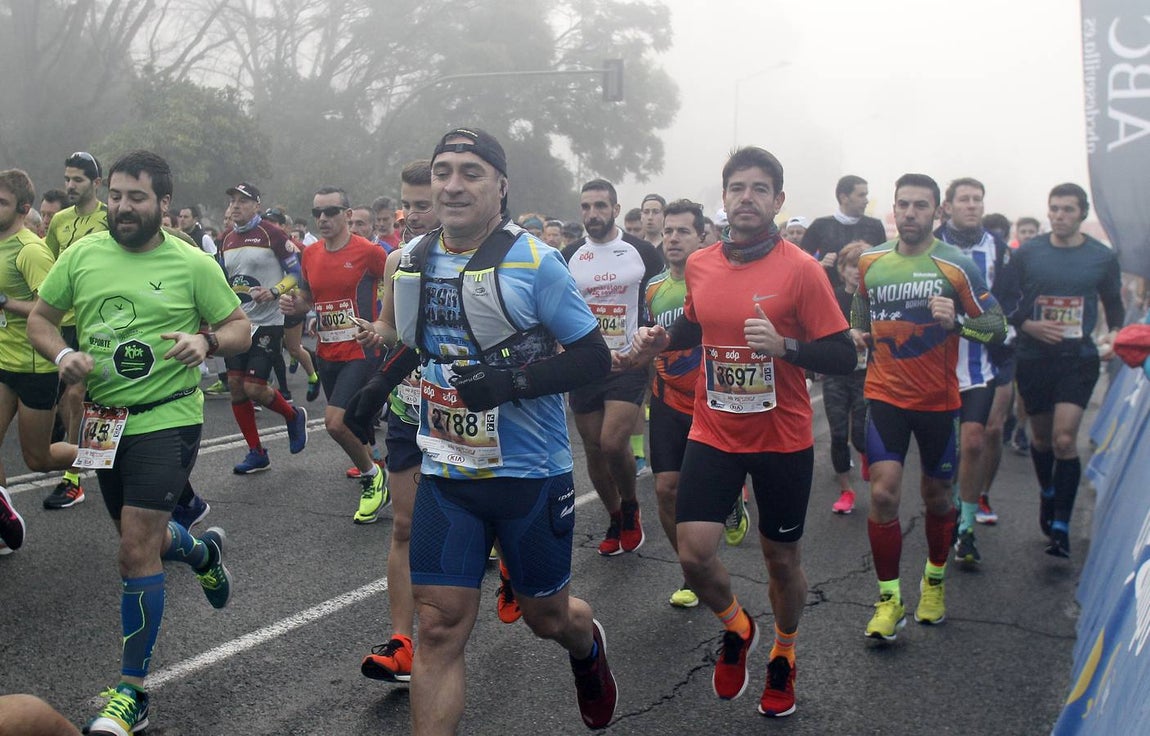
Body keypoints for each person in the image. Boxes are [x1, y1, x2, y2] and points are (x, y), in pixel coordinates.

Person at [344, 126, 617, 732]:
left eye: (471, 172)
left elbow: (593, 359)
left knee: (548, 618)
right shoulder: (413, 259)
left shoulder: (536, 263)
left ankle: (586, 645)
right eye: (443, 171)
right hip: (448, 470)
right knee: (438, 626)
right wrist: (374, 390)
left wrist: (509, 384)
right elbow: (421, 345)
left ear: (500, 185)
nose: (453, 184)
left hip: (530, 475)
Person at [627, 147, 856, 717]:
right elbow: (697, 320)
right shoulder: (702, 263)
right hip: (715, 430)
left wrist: (787, 348)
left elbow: (844, 354)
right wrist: (662, 339)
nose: (746, 197)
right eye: (737, 188)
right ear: (723, 199)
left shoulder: (801, 270)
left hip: (782, 438)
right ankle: (737, 626)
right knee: (695, 552)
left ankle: (784, 651)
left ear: (778, 201)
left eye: (759, 189)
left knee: (781, 560)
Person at [27, 150, 249, 735]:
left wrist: (207, 342)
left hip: (168, 415)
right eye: (118, 196)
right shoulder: (80, 255)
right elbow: (41, 320)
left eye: (137, 198)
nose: (124, 207)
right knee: (139, 539)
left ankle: (131, 692)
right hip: (105, 420)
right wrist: (62, 354)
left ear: (164, 205)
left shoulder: (190, 262)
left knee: (133, 551)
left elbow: (239, 327)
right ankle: (202, 553)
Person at [853, 174, 1006, 641]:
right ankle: (889, 599)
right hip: (884, 396)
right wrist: (857, 332)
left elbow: (996, 328)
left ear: (936, 212)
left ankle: (934, 581)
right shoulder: (870, 261)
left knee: (937, 498)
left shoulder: (956, 264)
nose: (911, 213)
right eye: (904, 204)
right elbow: (861, 306)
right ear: (894, 210)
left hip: (939, 402)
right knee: (882, 495)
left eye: (921, 205)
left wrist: (958, 322)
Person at [1005, 183, 1123, 557]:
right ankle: (1048, 491)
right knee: (1041, 439)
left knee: (1063, 439)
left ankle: (1061, 525)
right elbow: (1006, 301)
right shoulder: (1029, 253)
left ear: (1082, 214)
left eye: (1068, 210)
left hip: (1078, 359)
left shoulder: (1101, 257)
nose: (1059, 216)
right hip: (1034, 357)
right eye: (1054, 209)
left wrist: (1115, 338)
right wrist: (1028, 326)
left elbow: (1114, 306)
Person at [358, 159, 441, 684]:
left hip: (472, 417)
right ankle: (403, 643)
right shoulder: (398, 261)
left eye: (421, 204)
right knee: (407, 527)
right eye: (405, 204)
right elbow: (394, 331)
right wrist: (376, 333)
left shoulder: (497, 258)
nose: (410, 214)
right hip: (411, 410)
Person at [562, 179, 664, 556]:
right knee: (592, 449)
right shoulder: (570, 255)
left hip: (628, 362)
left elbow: (659, 300)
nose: (593, 214)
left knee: (612, 442)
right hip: (587, 363)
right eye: (586, 207)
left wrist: (648, 348)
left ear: (616, 209)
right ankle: (615, 514)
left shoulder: (641, 253)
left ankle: (632, 505)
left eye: (600, 206)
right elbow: (561, 309)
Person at [278, 186, 389, 523]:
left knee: (335, 422)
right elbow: (308, 297)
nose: (323, 219)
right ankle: (374, 462)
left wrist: (385, 326)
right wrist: (294, 304)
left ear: (348, 214)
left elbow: (397, 287)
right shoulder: (309, 254)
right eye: (317, 213)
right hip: (327, 351)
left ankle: (373, 479)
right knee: (352, 421)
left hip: (361, 349)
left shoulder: (369, 252)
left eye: (331, 211)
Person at [935, 178, 1018, 561]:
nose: (972, 206)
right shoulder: (929, 245)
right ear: (948, 206)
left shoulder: (998, 250)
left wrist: (1006, 328)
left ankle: (965, 527)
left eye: (977, 200)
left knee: (974, 440)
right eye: (964, 199)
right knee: (943, 451)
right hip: (933, 364)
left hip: (979, 362)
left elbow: (1013, 298)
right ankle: (947, 505)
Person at [640, 199, 706, 607]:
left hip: (711, 401)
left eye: (683, 231)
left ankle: (731, 498)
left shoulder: (715, 280)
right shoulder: (654, 288)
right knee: (666, 489)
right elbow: (652, 342)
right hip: (666, 399)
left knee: (700, 492)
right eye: (668, 231)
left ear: (702, 236)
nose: (673, 238)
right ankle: (691, 573)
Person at [219, 182, 310, 474]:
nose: (235, 205)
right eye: (232, 200)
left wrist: (274, 291)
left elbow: (295, 272)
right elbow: (222, 281)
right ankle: (256, 452)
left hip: (269, 322)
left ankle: (293, 416)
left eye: (243, 201)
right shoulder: (226, 239)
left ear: (256, 205)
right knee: (235, 387)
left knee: (254, 387)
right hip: (238, 323)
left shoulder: (272, 233)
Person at [0, 169, 77, 504]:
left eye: (1, 202)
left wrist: (4, 302)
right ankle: (4, 527)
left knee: (38, 458)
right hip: (3, 361)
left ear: (23, 208)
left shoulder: (31, 250)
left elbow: (50, 311)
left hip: (34, 367)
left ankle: (112, 455)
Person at [42, 152, 108, 511]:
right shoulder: (60, 221)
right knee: (71, 399)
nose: (70, 185)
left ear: (96, 183)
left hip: (100, 320)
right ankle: (93, 461)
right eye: (67, 178)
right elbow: (51, 267)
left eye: (78, 180)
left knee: (76, 394)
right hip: (65, 321)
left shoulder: (110, 217)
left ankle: (72, 479)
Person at [822, 240, 871, 514]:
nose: (857, 271)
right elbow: (820, 330)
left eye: (863, 266)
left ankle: (865, 455)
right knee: (839, 434)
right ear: (842, 269)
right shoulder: (833, 297)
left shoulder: (875, 298)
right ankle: (846, 491)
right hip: (836, 374)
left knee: (862, 435)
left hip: (867, 374)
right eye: (853, 266)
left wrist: (868, 336)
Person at [801, 175, 888, 284]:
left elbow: (885, 264)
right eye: (861, 195)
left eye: (866, 195)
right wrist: (820, 263)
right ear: (844, 197)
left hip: (864, 296)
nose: (866, 201)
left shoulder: (875, 226)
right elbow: (800, 264)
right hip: (830, 295)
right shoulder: (820, 225)